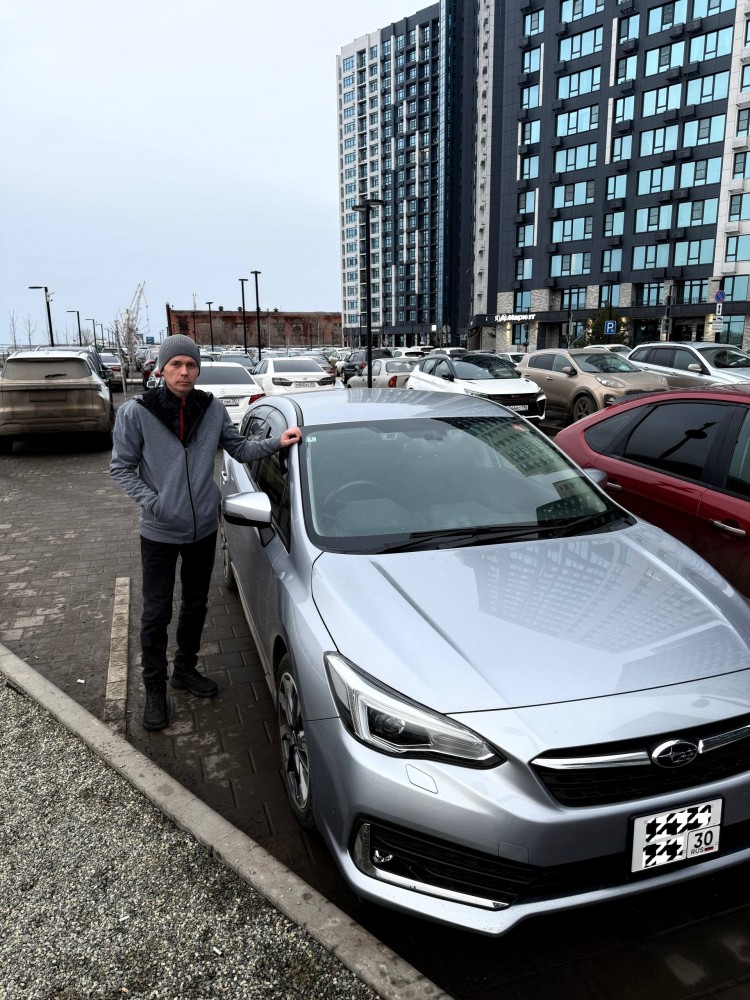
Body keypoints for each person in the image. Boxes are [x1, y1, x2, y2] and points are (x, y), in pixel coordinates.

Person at [110, 334, 301, 731]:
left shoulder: (210, 409)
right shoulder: (136, 412)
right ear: (161, 369)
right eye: (176, 364)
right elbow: (121, 468)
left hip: (203, 531)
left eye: (191, 365)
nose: (184, 372)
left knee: (196, 605)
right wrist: (155, 503)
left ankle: (184, 670)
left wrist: (277, 442)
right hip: (160, 532)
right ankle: (155, 687)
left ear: (198, 370)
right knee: (156, 612)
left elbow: (240, 448)